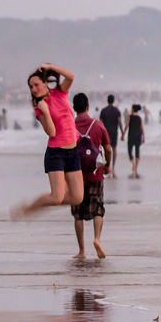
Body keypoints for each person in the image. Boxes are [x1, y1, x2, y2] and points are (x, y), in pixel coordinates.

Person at [11, 63, 83, 218]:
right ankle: (29, 208)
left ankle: (32, 208)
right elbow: (52, 132)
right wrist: (45, 112)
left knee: (77, 197)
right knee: (57, 197)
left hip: (72, 150)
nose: (34, 89)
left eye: (36, 85)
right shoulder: (39, 107)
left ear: (45, 83)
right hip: (56, 153)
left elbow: (71, 76)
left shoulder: (60, 93)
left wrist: (50, 67)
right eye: (31, 87)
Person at [71, 93, 112, 259]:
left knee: (78, 213)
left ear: (74, 108)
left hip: (75, 175)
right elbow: (108, 148)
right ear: (88, 106)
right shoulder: (97, 124)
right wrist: (108, 165)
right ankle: (96, 239)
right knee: (97, 210)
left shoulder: (70, 126)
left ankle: (82, 251)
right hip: (96, 174)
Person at [99, 94, 123, 178]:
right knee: (114, 149)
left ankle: (107, 167)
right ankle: (113, 168)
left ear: (107, 100)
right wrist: (122, 133)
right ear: (113, 101)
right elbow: (120, 122)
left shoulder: (103, 110)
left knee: (106, 150)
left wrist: (99, 134)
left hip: (105, 133)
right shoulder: (117, 110)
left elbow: (100, 124)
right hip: (114, 133)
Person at [122, 104, 144, 178]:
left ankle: (134, 166)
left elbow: (126, 126)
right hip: (138, 136)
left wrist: (123, 134)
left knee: (129, 152)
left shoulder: (129, 117)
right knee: (137, 152)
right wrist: (143, 137)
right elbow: (142, 128)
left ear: (132, 109)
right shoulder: (139, 118)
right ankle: (136, 170)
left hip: (131, 136)